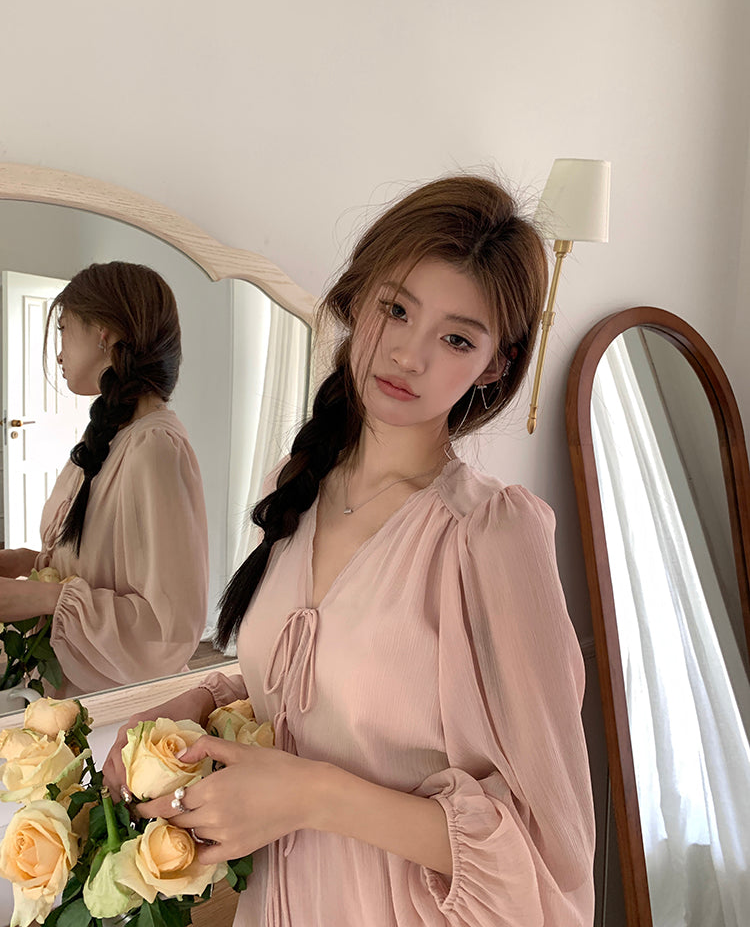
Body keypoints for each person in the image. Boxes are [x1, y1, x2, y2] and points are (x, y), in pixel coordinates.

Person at [104, 176, 595, 926]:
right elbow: (328, 692)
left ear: (496, 365)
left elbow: (550, 854)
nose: (408, 354)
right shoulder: (295, 488)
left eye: (457, 339)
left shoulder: (492, 536)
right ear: (357, 299)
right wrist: (205, 700)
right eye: (396, 309)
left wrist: (316, 795)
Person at [0, 261, 209, 696]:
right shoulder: (111, 435)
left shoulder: (155, 448)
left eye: (63, 329)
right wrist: (26, 562)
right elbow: (105, 571)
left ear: (104, 334)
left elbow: (168, 630)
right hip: (73, 690)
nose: (59, 353)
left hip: (111, 705)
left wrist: (43, 598)